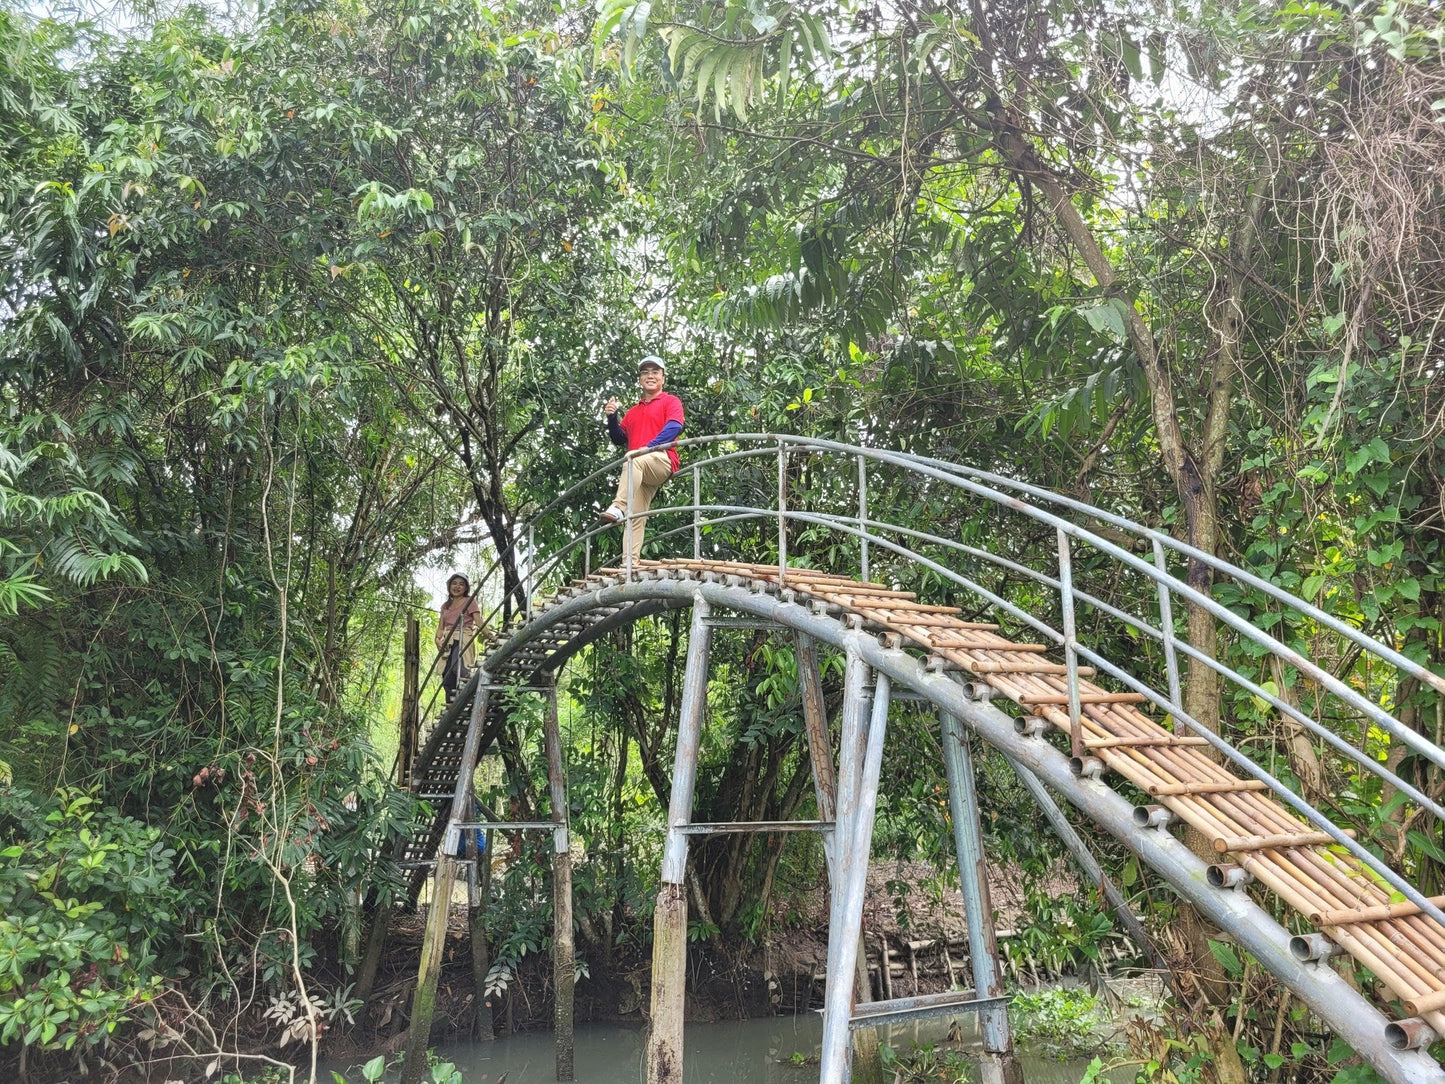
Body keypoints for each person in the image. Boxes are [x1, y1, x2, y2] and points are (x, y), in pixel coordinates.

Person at [601, 355, 685, 564]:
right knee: (635, 516)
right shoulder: (633, 412)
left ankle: (618, 506)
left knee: (633, 458)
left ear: (663, 378)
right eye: (645, 372)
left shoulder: (670, 401)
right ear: (640, 379)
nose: (650, 376)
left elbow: (675, 426)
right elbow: (619, 438)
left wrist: (648, 448)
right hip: (640, 471)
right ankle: (629, 563)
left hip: (661, 460)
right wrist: (612, 418)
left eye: (655, 372)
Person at [436, 573, 481, 701]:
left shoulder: (469, 601)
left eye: (461, 584)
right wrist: (437, 640)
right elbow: (441, 627)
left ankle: (466, 696)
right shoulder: (446, 606)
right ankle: (451, 703)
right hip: (448, 640)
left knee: (458, 667)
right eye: (454, 583)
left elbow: (478, 621)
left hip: (462, 637)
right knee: (447, 674)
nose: (457, 587)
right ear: (449, 586)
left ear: (466, 588)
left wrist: (489, 635)